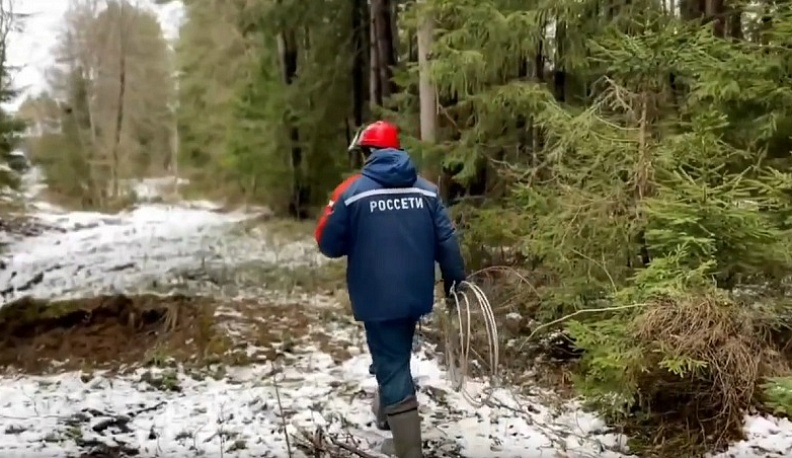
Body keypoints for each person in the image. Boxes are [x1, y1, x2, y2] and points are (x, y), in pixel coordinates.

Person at [314, 120, 466, 458]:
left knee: (391, 362)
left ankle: (408, 450)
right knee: (394, 354)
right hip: (415, 293)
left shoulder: (352, 192)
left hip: (376, 297)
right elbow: (447, 240)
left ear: (369, 152)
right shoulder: (427, 191)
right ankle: (387, 414)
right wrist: (456, 283)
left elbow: (328, 243)